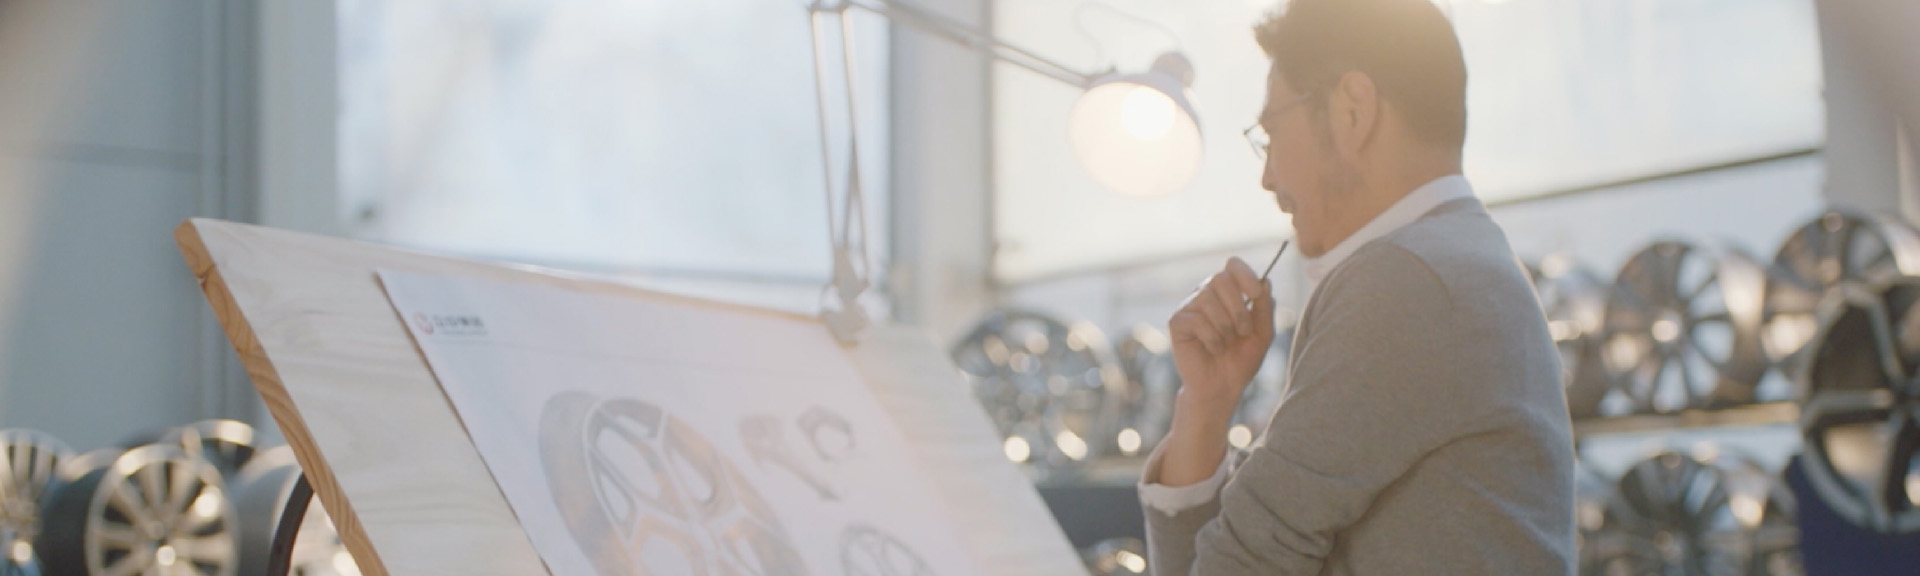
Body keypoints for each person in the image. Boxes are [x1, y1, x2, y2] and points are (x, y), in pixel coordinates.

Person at [1138, 0, 1576, 573]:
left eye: (1272, 131)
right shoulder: (1453, 265)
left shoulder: (1407, 282)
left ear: (1352, 110)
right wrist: (1205, 406)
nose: (1267, 177)